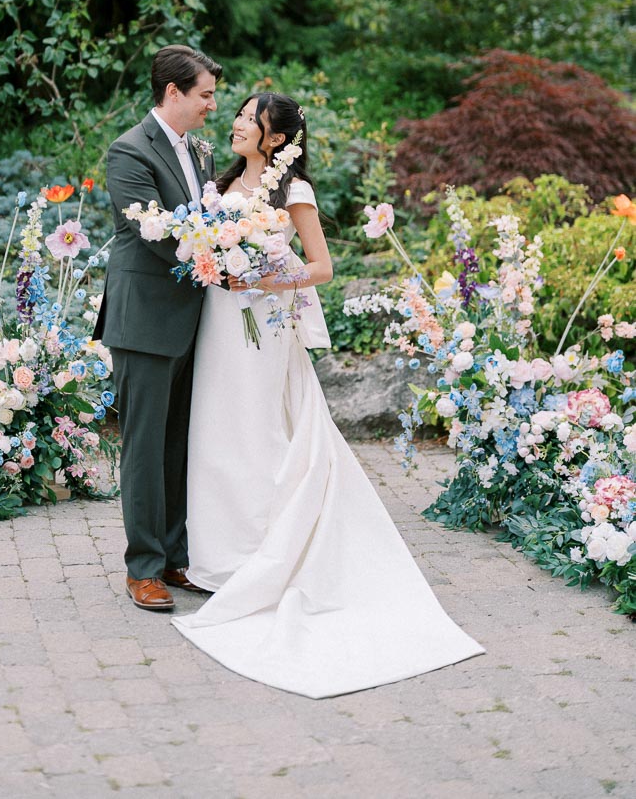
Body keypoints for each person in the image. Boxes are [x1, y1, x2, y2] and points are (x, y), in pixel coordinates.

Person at [172, 92, 484, 696]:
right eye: (236, 112)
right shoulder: (223, 180)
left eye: (248, 117)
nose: (236, 122)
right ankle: (217, 560)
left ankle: (261, 556)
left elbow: (320, 267)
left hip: (263, 326)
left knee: (258, 431)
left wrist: (262, 274)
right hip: (220, 319)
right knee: (215, 429)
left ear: (277, 139)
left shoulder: (295, 193)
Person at [95, 43, 222, 611]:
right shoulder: (128, 152)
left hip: (195, 318)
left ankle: (175, 558)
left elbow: (212, 217)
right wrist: (219, 260)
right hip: (145, 319)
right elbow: (155, 234)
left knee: (178, 442)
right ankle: (141, 567)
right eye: (205, 95)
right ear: (174, 93)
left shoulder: (200, 151)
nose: (212, 106)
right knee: (144, 447)